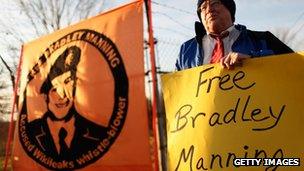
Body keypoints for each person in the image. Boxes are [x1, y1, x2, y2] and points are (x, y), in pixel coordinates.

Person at [27, 46, 107, 160]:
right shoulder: (30, 132)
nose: (63, 95)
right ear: (45, 97)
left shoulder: (97, 133)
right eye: (54, 89)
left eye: (68, 83)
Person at [176, 0, 293, 71]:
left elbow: (294, 66)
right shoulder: (186, 51)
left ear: (229, 9)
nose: (209, 10)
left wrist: (254, 60)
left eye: (215, 3)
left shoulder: (263, 39)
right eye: (203, 8)